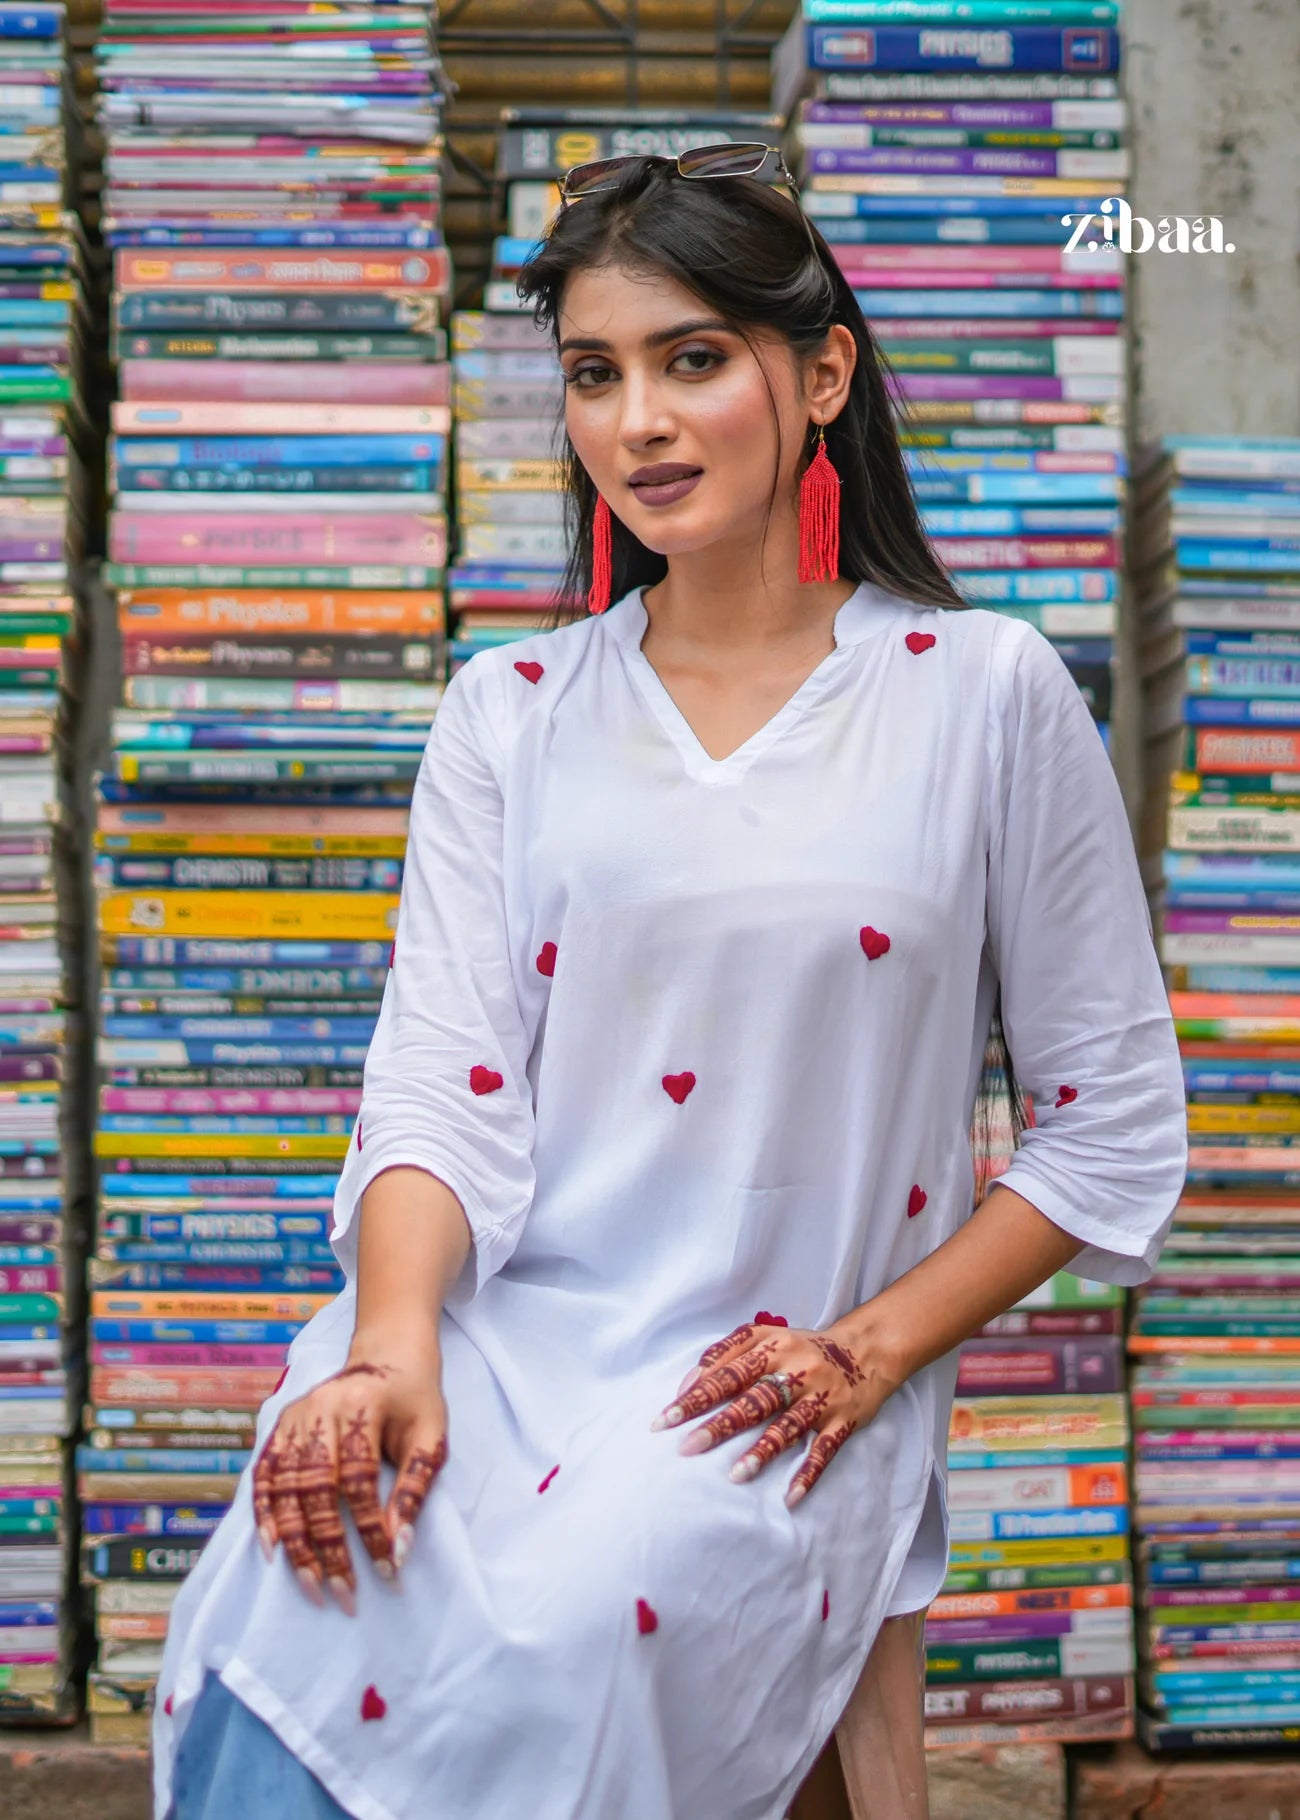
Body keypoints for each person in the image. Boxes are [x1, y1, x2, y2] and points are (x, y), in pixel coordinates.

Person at [152, 147, 1187, 1820]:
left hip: (768, 1393)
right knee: (301, 1571)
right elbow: (439, 1078)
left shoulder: (985, 697)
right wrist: (389, 1346)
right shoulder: (511, 711)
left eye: (692, 359)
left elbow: (1111, 1128)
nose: (637, 421)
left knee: (583, 1615)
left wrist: (867, 1355)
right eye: (595, 373)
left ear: (823, 373)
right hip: (491, 1342)